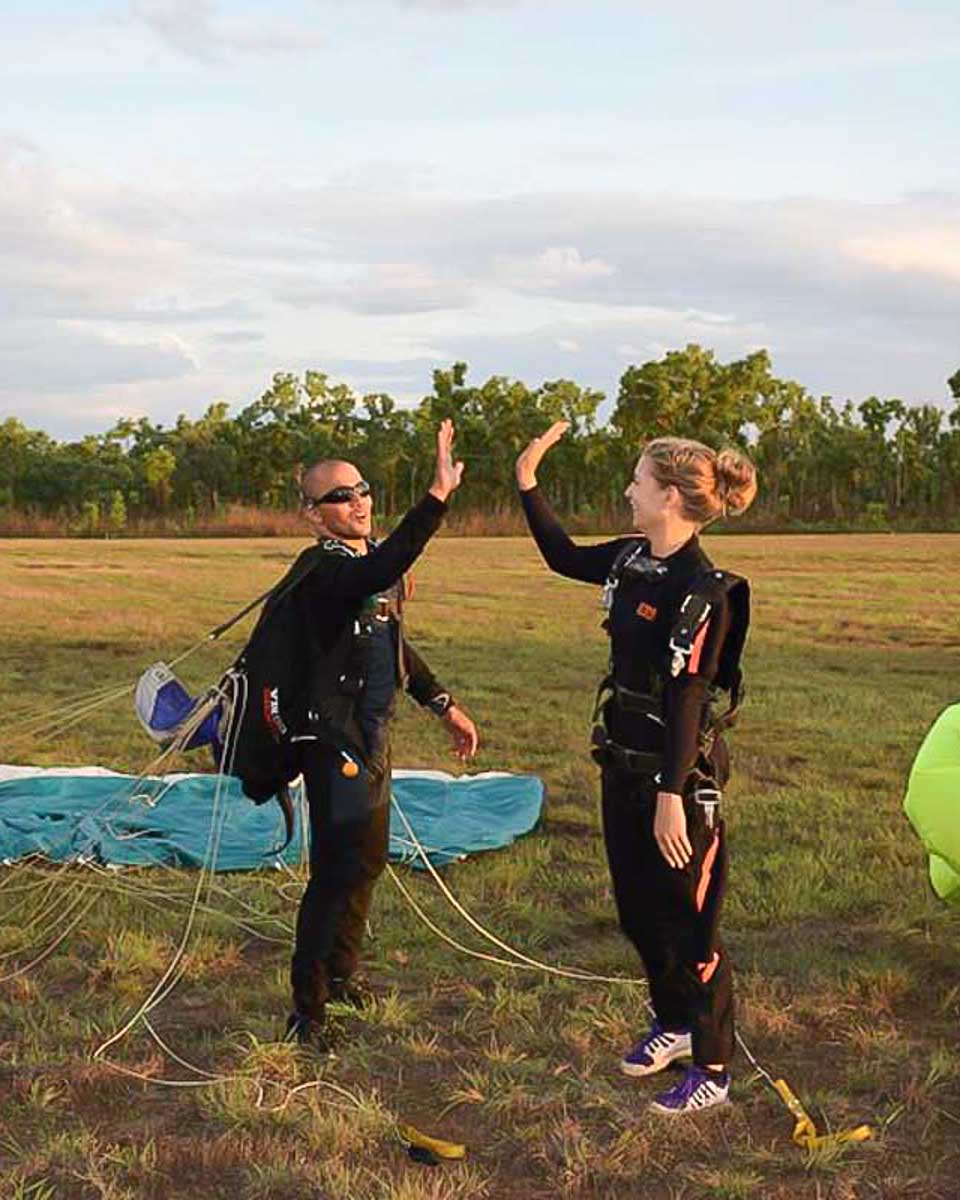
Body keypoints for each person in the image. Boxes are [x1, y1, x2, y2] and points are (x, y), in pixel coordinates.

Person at [516, 423, 756, 1115]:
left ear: (672, 497)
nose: (628, 490)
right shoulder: (630, 561)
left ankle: (712, 1066)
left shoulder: (703, 588)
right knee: (638, 913)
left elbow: (689, 694)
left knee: (691, 923)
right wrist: (528, 479)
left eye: (639, 482)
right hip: (619, 765)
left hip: (677, 780)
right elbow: (562, 557)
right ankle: (675, 1024)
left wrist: (672, 794)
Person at [272, 420, 479, 1047]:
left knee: (365, 865)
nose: (357, 501)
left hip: (374, 737)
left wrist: (443, 705)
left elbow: (393, 646)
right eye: (340, 495)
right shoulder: (326, 572)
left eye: (362, 489)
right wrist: (437, 496)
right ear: (312, 514)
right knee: (335, 873)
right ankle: (306, 1011)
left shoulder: (373, 567)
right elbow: (383, 567)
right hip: (333, 742)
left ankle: (342, 974)